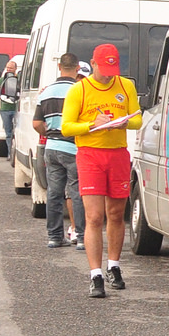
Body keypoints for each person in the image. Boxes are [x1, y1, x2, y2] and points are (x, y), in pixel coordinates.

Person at [59, 43, 141, 298]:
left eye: (112, 69)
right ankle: (95, 274)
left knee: (116, 214)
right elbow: (66, 127)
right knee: (94, 217)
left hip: (117, 153)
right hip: (90, 155)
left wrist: (124, 121)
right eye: (103, 69)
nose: (108, 74)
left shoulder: (125, 85)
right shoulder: (79, 90)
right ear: (92, 64)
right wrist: (91, 125)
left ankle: (113, 266)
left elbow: (138, 118)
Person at [36, 53, 87, 250]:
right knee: (77, 192)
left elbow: (37, 123)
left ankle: (55, 237)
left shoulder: (46, 92)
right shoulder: (79, 90)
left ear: (59, 67)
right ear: (77, 69)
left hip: (52, 147)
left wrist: (48, 133)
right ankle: (82, 237)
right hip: (74, 147)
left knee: (54, 194)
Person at [0, 58, 22, 161]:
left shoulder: (19, 79)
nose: (9, 69)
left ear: (15, 69)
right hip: (5, 109)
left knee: (18, 132)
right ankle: (11, 154)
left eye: (11, 68)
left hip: (17, 109)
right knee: (8, 133)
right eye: (8, 67)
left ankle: (16, 153)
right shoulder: (2, 80)